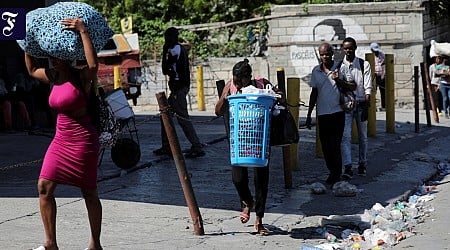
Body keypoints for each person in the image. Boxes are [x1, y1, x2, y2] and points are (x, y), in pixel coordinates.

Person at [25, 18, 103, 250]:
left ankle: (95, 244)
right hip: (60, 139)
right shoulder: (53, 76)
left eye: (57, 55)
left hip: (83, 140)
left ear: (66, 55)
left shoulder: (81, 77)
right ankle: (50, 243)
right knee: (44, 187)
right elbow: (30, 69)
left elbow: (94, 65)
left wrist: (82, 30)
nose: (53, 59)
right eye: (51, 55)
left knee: (88, 191)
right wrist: (26, 41)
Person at [215, 59, 281, 236]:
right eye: (234, 79)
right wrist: (225, 98)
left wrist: (275, 95)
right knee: (238, 178)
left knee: (261, 179)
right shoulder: (230, 86)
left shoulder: (262, 84)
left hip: (259, 138)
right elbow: (218, 111)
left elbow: (276, 102)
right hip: (240, 140)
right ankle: (247, 201)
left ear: (248, 78)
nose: (235, 82)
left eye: (238, 80)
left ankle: (259, 219)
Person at [305, 42, 355, 185]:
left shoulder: (341, 68)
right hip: (323, 114)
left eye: (327, 53)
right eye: (322, 54)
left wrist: (338, 79)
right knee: (326, 146)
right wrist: (309, 114)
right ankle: (332, 171)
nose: (325, 56)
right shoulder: (316, 71)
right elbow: (314, 93)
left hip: (338, 112)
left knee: (335, 144)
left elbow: (353, 86)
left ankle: (336, 173)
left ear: (332, 54)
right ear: (319, 56)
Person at [153, 27, 205, 158]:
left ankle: (197, 146)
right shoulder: (178, 49)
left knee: (183, 119)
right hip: (177, 89)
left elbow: (165, 69)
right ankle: (167, 146)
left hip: (178, 89)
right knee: (165, 116)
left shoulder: (175, 50)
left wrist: (164, 50)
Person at [340, 37, 373, 179]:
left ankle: (362, 164)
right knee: (345, 137)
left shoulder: (363, 64)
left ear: (355, 48)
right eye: (345, 48)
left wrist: (367, 104)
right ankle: (347, 166)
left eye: (350, 48)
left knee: (362, 137)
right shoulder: (340, 66)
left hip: (360, 104)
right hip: (347, 106)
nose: (348, 51)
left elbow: (368, 86)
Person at [370, 42, 386, 111]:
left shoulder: (382, 54)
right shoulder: (370, 56)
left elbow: (384, 65)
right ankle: (374, 106)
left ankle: (384, 106)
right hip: (374, 75)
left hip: (381, 75)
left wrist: (383, 75)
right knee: (373, 91)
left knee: (383, 91)